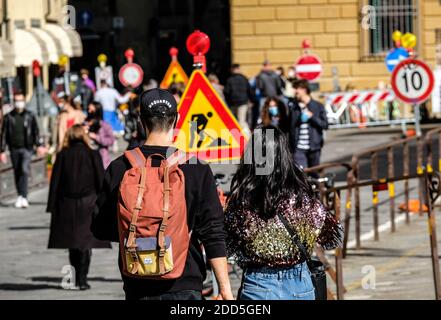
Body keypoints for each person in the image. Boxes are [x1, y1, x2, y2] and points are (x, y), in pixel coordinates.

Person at [91, 88, 233, 300]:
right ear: (176, 119)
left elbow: (100, 228)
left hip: (137, 283)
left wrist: (140, 231)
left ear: (141, 121)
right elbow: (213, 232)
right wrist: (225, 289)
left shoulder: (120, 167)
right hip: (185, 283)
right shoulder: (196, 168)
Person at [225, 125, 342, 300]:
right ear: (285, 156)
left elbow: (226, 245)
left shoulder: (242, 201)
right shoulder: (303, 198)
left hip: (259, 284)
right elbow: (333, 238)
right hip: (300, 284)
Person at [47, 124, 110, 290]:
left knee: (72, 244)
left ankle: (76, 278)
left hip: (66, 204)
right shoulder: (93, 154)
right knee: (85, 244)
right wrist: (105, 203)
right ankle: (83, 279)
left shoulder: (62, 155)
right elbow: (100, 181)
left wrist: (52, 206)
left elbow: (55, 183)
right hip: (88, 205)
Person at [0, 92, 47, 208]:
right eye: (16, 100)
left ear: (24, 101)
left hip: (27, 148)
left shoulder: (30, 116)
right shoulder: (8, 117)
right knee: (17, 171)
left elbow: (36, 132)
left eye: (20, 100)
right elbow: (4, 135)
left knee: (24, 170)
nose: (19, 103)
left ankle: (24, 196)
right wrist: (2, 151)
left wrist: (39, 145)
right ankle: (20, 195)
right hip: (14, 148)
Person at [288, 79, 328, 170]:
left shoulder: (318, 106)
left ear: (304, 90)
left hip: (314, 146)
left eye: (296, 89)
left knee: (314, 173)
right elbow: (289, 126)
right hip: (298, 147)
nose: (295, 92)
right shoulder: (293, 107)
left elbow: (325, 125)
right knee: (302, 173)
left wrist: (312, 117)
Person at [224, 64, 254, 133]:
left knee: (237, 121)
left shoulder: (229, 79)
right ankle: (246, 135)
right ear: (238, 69)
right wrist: (252, 100)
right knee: (241, 120)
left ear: (232, 70)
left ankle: (245, 136)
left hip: (233, 103)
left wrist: (228, 102)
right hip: (243, 102)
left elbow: (226, 92)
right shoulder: (244, 78)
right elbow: (249, 90)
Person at [85, 102, 115, 168]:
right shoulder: (84, 124)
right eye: (88, 109)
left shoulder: (104, 125)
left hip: (101, 160)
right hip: (87, 160)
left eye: (91, 110)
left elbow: (111, 140)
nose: (89, 112)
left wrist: (96, 137)